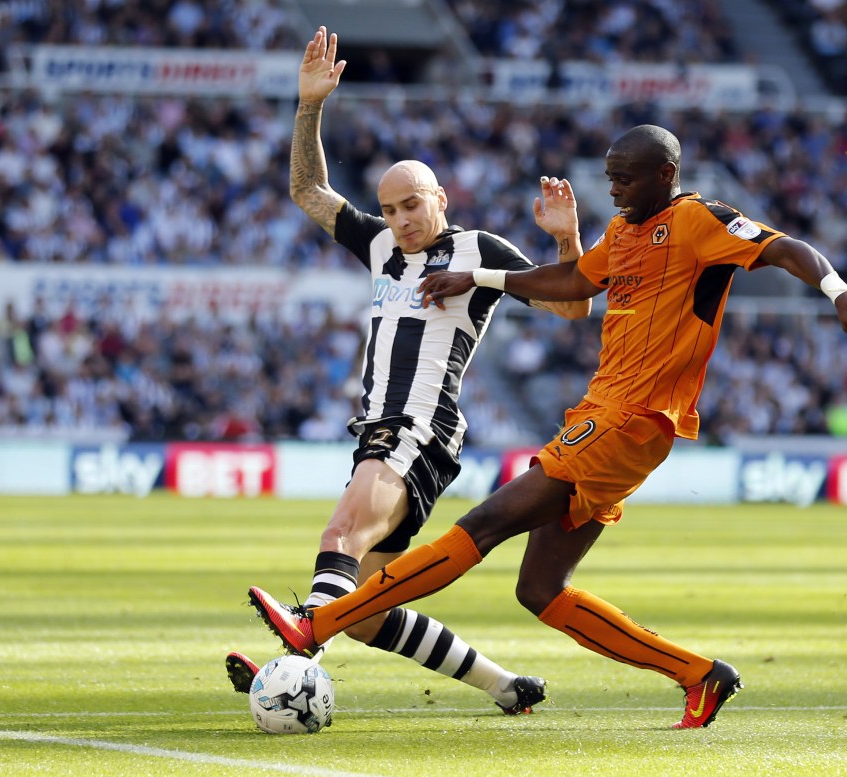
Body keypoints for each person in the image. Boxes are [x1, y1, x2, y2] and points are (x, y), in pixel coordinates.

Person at [247, 123, 847, 728]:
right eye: (610, 175)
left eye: (625, 177)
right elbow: (571, 280)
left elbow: (785, 246)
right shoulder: (620, 233)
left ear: (665, 174)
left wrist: (838, 292)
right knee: (538, 588)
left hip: (631, 419)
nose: (612, 187)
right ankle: (699, 675)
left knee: (484, 524)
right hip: (603, 414)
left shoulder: (700, 220)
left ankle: (319, 623)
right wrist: (476, 276)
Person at [228, 26, 591, 716]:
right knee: (366, 610)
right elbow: (308, 190)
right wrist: (309, 107)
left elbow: (573, 307)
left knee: (339, 535)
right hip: (381, 432)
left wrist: (566, 239)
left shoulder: (476, 250)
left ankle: (300, 649)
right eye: (390, 209)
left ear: (441, 199)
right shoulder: (379, 248)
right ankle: (504, 685)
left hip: (419, 427)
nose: (399, 220)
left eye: (411, 205)